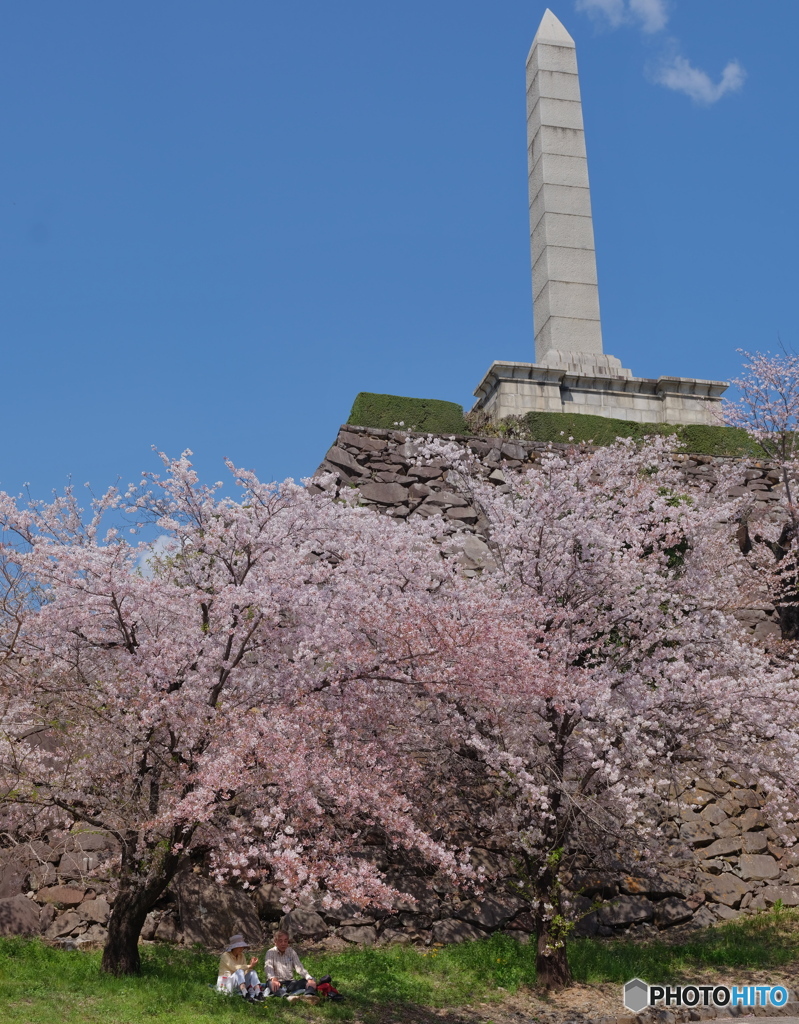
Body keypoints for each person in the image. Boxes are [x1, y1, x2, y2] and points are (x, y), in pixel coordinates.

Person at [264, 929, 317, 996]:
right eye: (280, 941)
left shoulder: (291, 952)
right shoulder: (270, 952)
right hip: (277, 982)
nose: (283, 943)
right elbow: (268, 968)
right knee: (271, 984)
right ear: (275, 942)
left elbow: (299, 967)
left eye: (285, 941)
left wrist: (309, 978)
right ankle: (285, 995)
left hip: (290, 983)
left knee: (311, 980)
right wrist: (273, 979)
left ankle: (309, 995)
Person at [217, 934, 264, 1000]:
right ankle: (245, 993)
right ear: (234, 947)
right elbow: (234, 967)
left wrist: (250, 967)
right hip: (227, 982)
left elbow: (244, 972)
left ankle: (258, 993)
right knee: (239, 971)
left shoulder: (241, 955)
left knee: (252, 972)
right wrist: (249, 966)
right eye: (239, 946)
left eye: (242, 946)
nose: (242, 948)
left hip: (239, 983)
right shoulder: (225, 956)